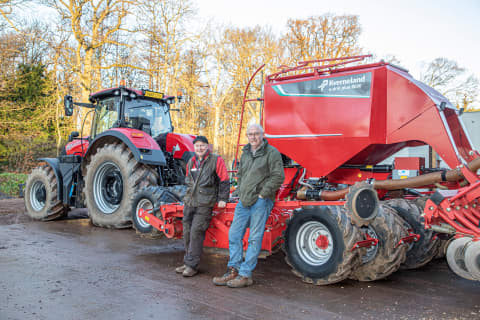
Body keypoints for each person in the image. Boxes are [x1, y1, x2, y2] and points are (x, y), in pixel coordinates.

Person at [212, 124, 285, 288]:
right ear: (247, 136)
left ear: (262, 135)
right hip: (243, 200)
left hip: (261, 201)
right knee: (234, 235)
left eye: (256, 134)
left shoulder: (271, 153)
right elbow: (241, 174)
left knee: (254, 238)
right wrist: (238, 191)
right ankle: (233, 270)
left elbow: (278, 176)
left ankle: (245, 275)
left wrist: (263, 194)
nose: (253, 137)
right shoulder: (245, 153)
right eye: (250, 134)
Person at [175, 135, 230, 277]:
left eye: (202, 145)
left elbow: (224, 180)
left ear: (207, 147)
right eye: (197, 146)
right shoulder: (191, 161)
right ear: (194, 148)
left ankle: (192, 266)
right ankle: (187, 261)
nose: (199, 148)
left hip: (205, 203)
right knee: (186, 232)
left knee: (196, 232)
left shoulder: (215, 160)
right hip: (190, 202)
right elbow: (188, 181)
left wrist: (223, 198)